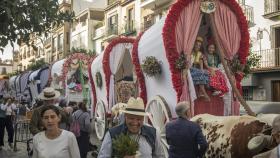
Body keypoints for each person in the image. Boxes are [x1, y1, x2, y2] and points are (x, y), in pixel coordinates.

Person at [98, 97, 164, 158]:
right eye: (131, 118)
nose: (135, 122)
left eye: (139, 119)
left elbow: (160, 156)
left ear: (143, 118)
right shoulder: (112, 134)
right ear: (125, 116)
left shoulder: (153, 133)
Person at [190, 36, 210, 101]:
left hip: (196, 70)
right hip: (190, 69)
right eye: (196, 45)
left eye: (199, 46)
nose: (198, 47)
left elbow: (201, 62)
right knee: (201, 73)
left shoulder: (200, 53)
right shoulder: (190, 53)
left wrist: (202, 70)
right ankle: (204, 93)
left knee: (205, 72)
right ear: (193, 45)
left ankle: (200, 92)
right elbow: (189, 65)